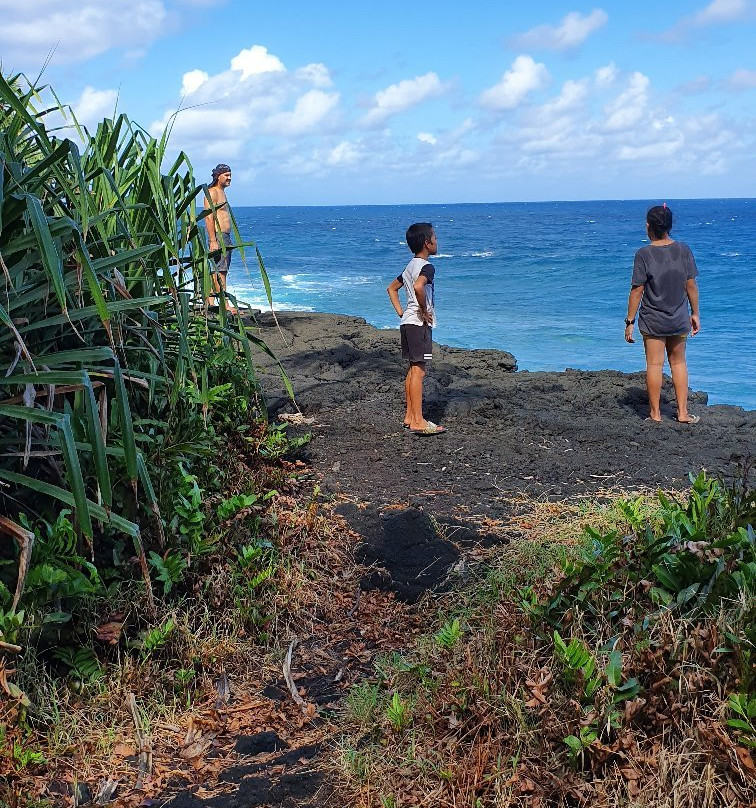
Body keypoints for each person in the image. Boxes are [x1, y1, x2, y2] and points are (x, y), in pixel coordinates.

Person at [625, 204, 701, 423]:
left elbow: (637, 290)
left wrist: (629, 321)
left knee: (654, 365)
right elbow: (691, 286)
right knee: (679, 363)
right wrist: (695, 313)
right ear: (669, 225)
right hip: (678, 318)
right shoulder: (683, 250)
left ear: (649, 226)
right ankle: (683, 413)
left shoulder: (643, 254)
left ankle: (655, 414)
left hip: (653, 320)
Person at [387, 223, 446, 436]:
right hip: (418, 324)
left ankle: (410, 416)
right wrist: (423, 310)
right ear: (426, 243)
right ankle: (418, 421)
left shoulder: (409, 266)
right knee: (419, 371)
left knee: (413, 370)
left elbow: (391, 288)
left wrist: (402, 313)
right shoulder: (427, 267)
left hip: (407, 322)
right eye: (435, 237)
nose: (437, 241)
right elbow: (419, 287)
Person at [204, 163, 234, 310]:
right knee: (221, 270)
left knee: (219, 269)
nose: (229, 178)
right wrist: (213, 240)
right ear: (218, 176)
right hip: (218, 236)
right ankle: (224, 304)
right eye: (226, 175)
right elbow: (208, 217)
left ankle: (210, 301)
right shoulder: (213, 192)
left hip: (225, 235)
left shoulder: (222, 192)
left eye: (230, 175)